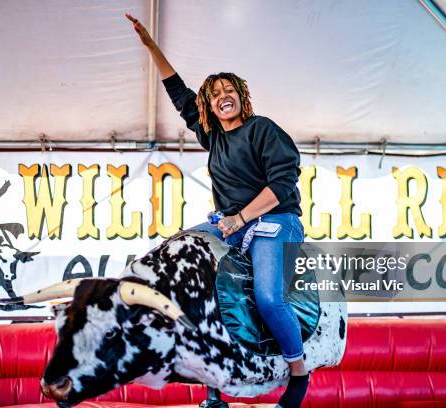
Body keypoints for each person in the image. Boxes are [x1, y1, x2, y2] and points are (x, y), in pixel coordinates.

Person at [127, 14, 309, 408]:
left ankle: (298, 373)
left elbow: (282, 186)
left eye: (230, 90)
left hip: (276, 222)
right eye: (214, 93)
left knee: (267, 297)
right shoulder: (212, 136)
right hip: (231, 225)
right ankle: (211, 384)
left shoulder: (263, 129)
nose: (222, 95)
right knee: (182, 262)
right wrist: (151, 47)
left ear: (242, 96)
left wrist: (241, 219)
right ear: (208, 104)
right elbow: (178, 93)